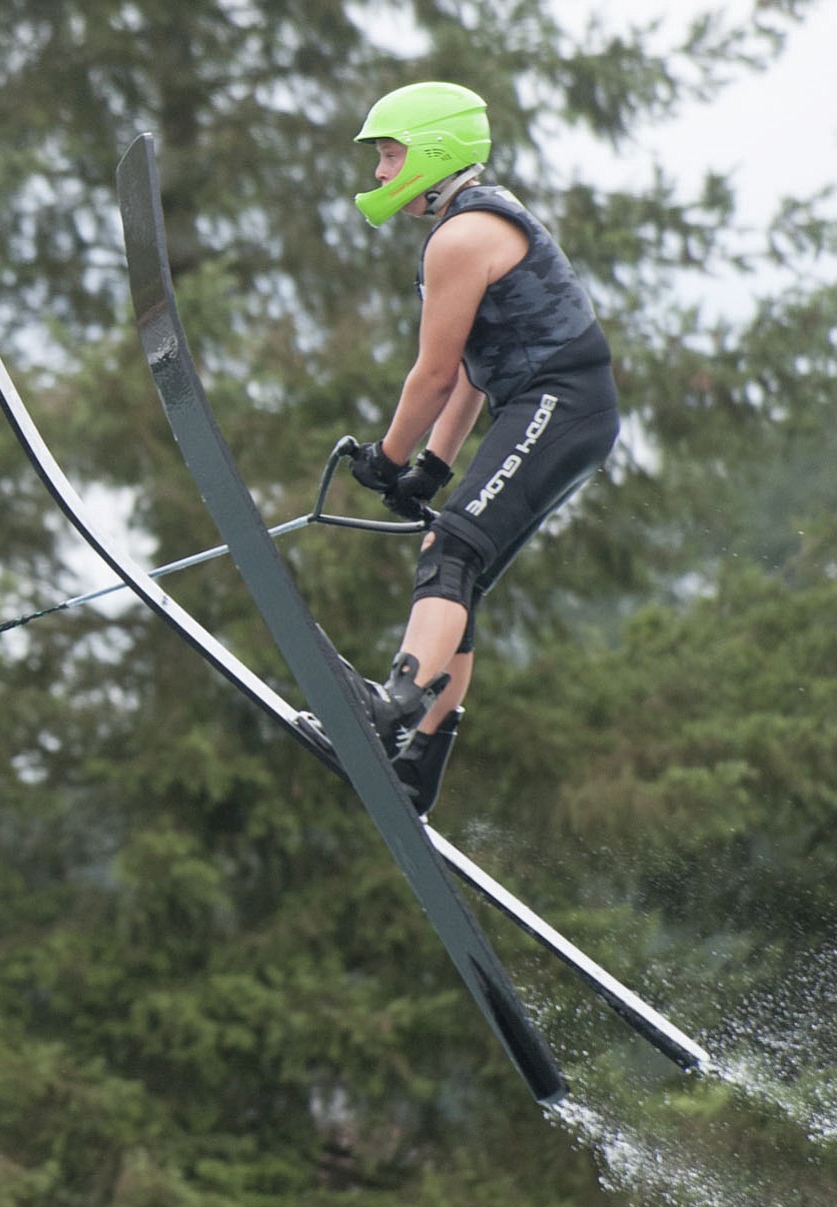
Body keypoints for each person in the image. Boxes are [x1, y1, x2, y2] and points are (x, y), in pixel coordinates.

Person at [333, 80, 621, 816]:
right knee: (461, 580)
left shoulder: (460, 238)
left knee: (449, 556)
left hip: (558, 402)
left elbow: (430, 375)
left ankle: (391, 706)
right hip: (560, 407)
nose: (379, 174)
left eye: (390, 156)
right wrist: (431, 464)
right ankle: (416, 765)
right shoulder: (470, 226)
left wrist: (387, 458)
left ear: (434, 150)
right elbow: (467, 370)